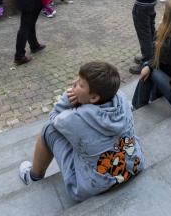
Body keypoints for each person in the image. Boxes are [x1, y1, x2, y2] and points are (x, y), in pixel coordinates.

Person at [18, 61, 144, 201]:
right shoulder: (120, 97)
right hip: (133, 166)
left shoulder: (74, 119)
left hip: (94, 185)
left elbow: (54, 118)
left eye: (80, 84)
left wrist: (65, 102)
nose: (74, 84)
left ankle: (33, 177)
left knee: (48, 130)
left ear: (94, 97)